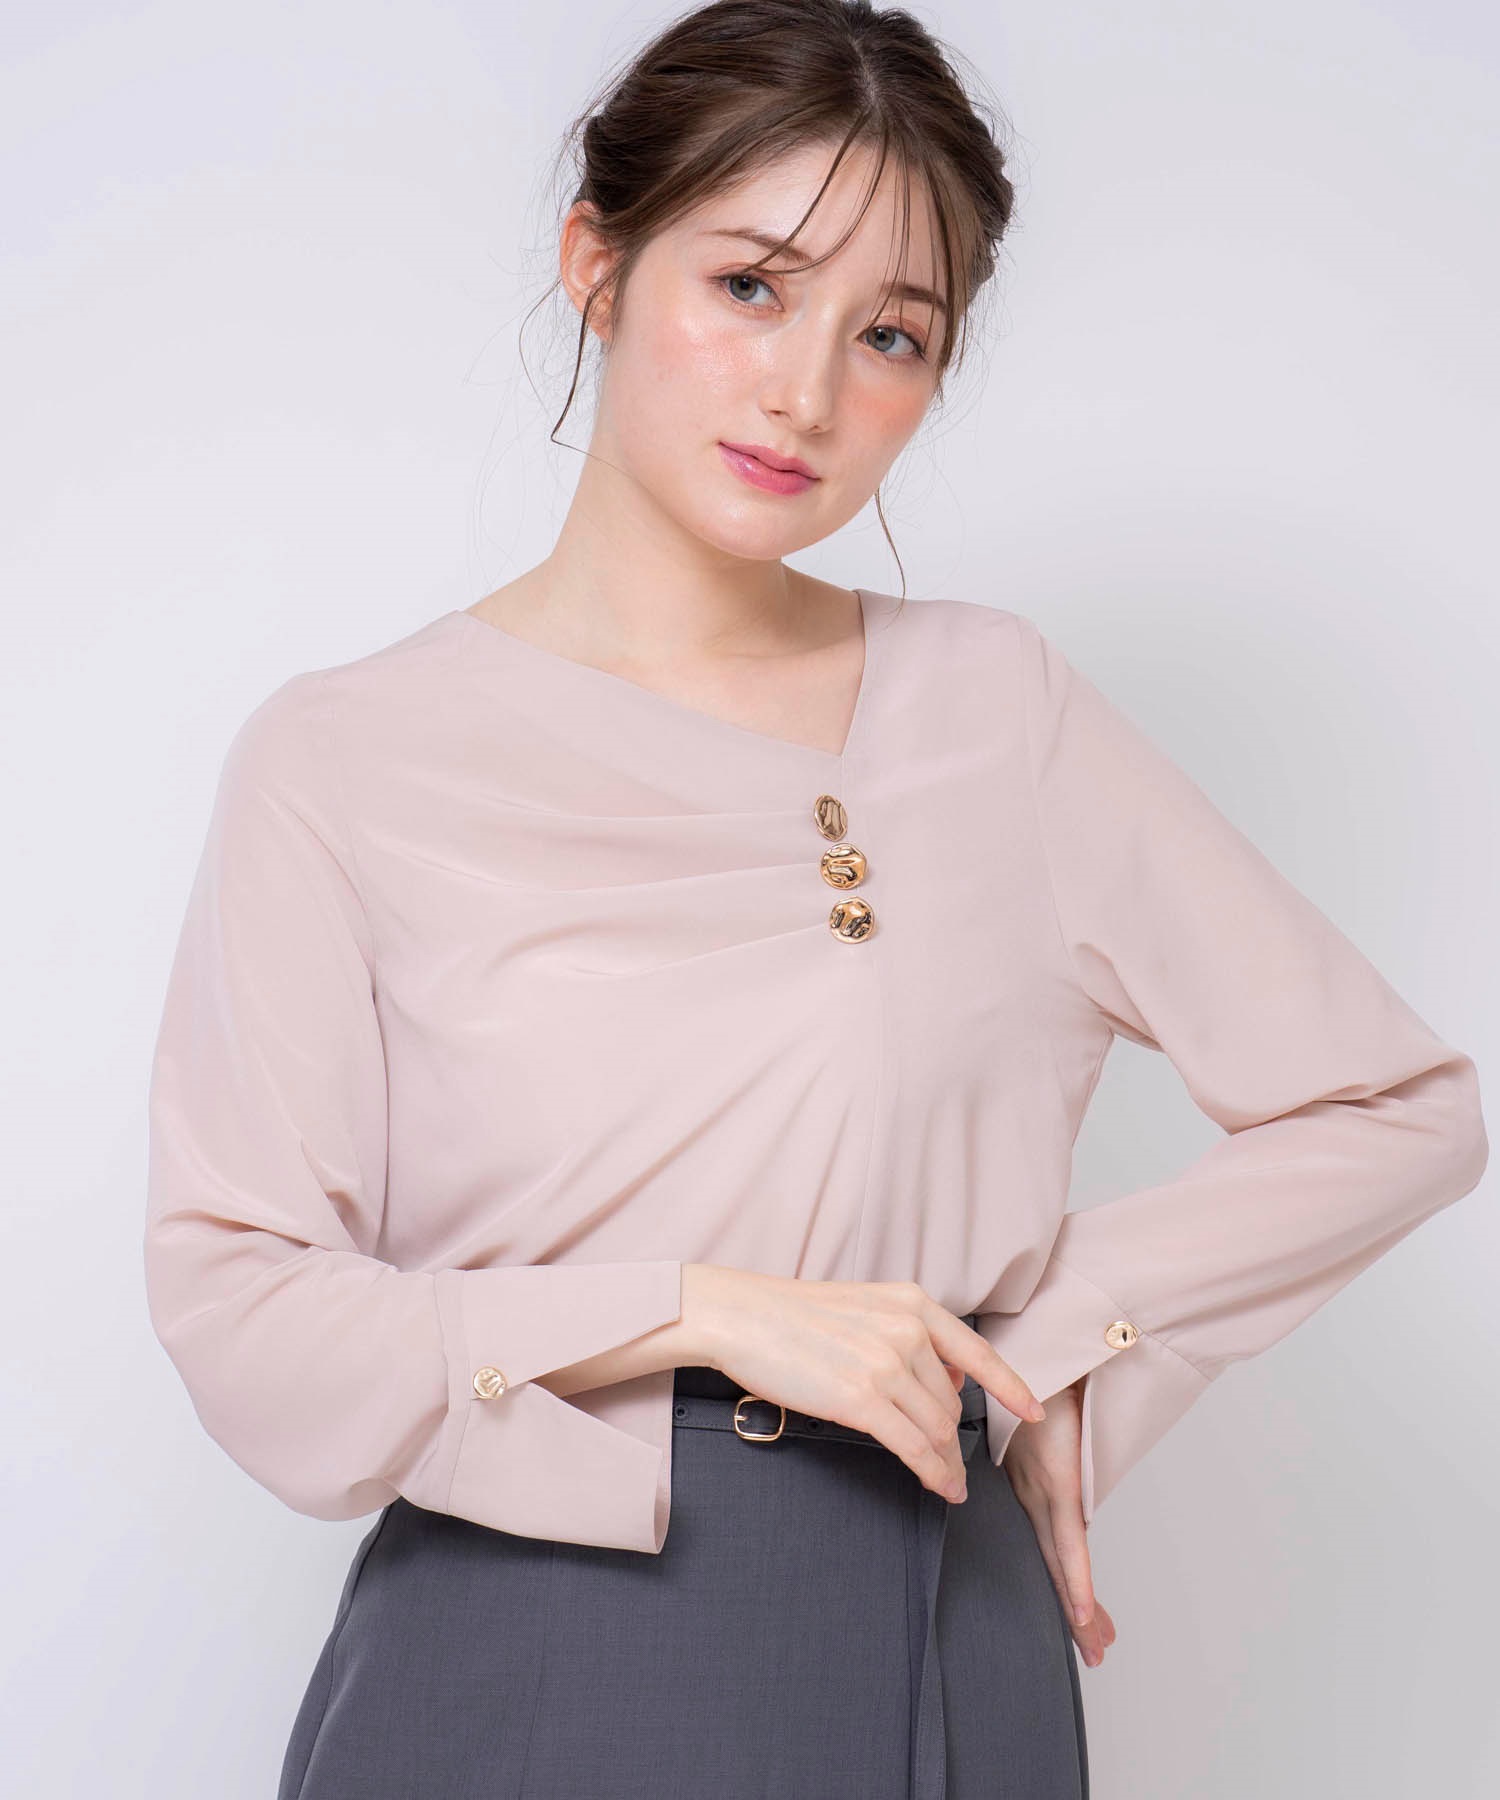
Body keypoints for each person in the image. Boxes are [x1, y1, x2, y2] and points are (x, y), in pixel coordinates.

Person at [141, 3, 1488, 1796]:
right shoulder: (347, 757)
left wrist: (1058, 1344)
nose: (806, 394)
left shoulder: (992, 712)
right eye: (752, 286)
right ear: (598, 266)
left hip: (932, 1596)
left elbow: (1394, 1107)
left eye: (892, 335)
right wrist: (697, 1307)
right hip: (530, 1625)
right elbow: (240, 1306)